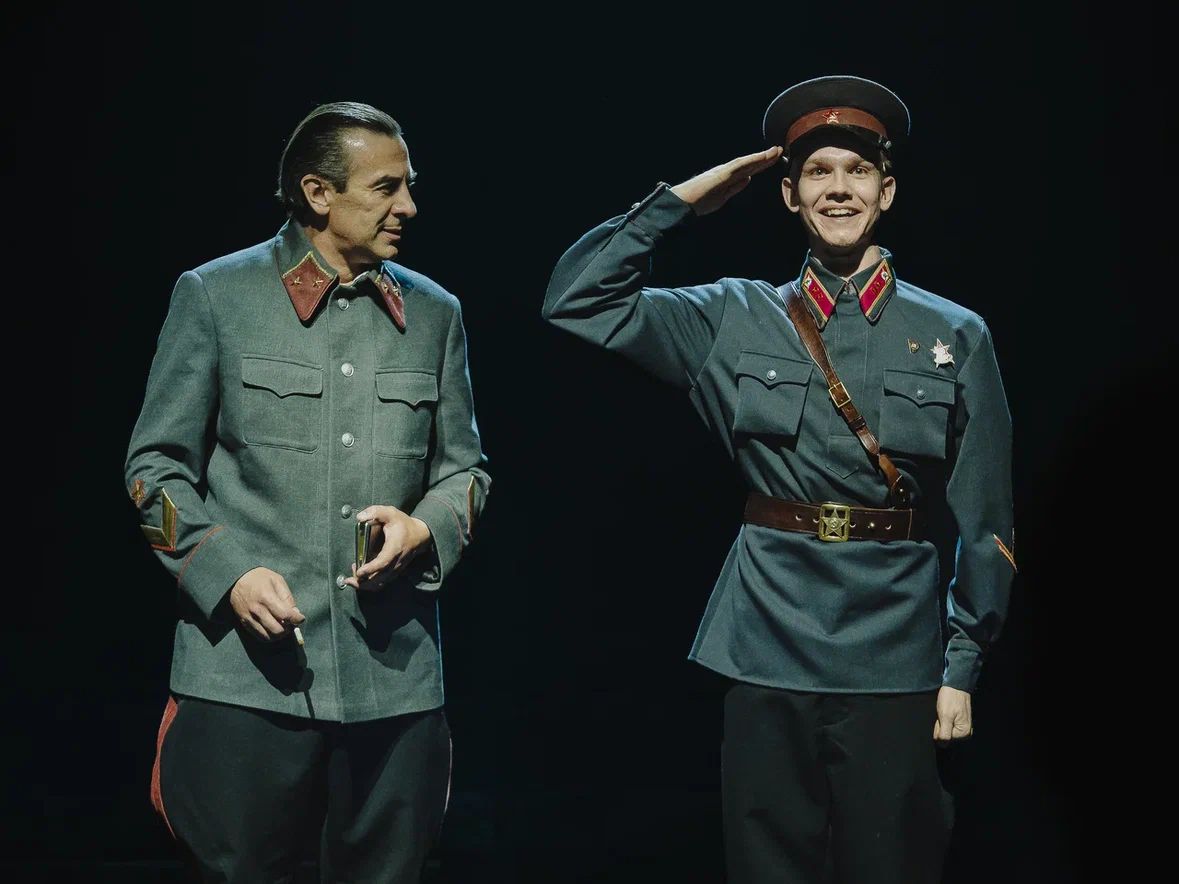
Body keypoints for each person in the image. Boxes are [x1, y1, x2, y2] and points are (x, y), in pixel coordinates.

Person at [542, 75, 1014, 883]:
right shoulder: (731, 316)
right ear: (788, 194)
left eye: (857, 171)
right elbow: (576, 300)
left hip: (895, 649)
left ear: (887, 191)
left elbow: (986, 517)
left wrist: (961, 666)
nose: (839, 189)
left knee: (891, 865)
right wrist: (683, 201)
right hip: (766, 638)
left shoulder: (953, 332)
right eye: (817, 172)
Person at [125, 101, 490, 883]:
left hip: (394, 685)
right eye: (386, 188)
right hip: (244, 681)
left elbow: (467, 474)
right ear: (318, 193)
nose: (408, 207)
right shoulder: (218, 296)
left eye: (410, 185)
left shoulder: (435, 314)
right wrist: (226, 573)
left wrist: (424, 528)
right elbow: (152, 472)